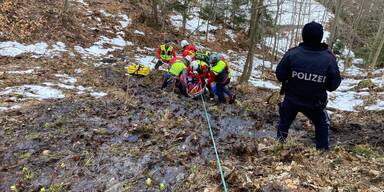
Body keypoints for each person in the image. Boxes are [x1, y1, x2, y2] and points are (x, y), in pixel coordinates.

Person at [275, 21, 341, 150]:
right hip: (315, 104)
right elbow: (333, 86)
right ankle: (322, 154)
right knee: (322, 125)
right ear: (320, 37)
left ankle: (278, 148)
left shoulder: (292, 54)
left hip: (292, 100)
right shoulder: (329, 59)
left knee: (284, 123)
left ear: (303, 35)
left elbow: (280, 76)